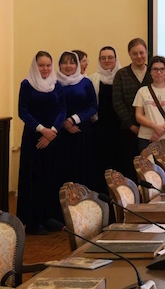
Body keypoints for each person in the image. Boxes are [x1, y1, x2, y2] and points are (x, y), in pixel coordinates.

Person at [17, 52, 66, 234]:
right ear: (35, 66)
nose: (45, 69)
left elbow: (62, 110)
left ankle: (50, 218)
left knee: (52, 177)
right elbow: (23, 111)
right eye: (41, 65)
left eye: (48, 65)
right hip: (34, 138)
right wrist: (41, 130)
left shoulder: (56, 85)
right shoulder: (26, 84)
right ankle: (33, 221)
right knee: (34, 178)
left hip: (53, 137)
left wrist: (52, 131)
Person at [56, 51, 97, 190]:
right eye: (64, 62)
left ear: (77, 65)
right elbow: (52, 107)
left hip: (82, 131)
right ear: (59, 65)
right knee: (63, 168)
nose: (68, 66)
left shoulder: (85, 82)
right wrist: (64, 124)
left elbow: (93, 106)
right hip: (60, 132)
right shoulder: (53, 83)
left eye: (72, 62)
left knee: (83, 168)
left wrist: (73, 120)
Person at [113, 38, 153, 179]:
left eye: (142, 53)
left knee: (150, 168)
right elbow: (117, 102)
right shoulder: (121, 74)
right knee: (130, 167)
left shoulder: (154, 72)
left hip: (151, 130)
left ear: (146, 52)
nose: (139, 56)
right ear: (129, 54)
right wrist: (132, 125)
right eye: (135, 53)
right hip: (129, 130)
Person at [133, 56, 165, 153]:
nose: (159, 72)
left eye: (162, 69)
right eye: (155, 69)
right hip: (147, 138)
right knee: (147, 163)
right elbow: (138, 116)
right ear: (150, 71)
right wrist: (156, 127)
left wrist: (162, 130)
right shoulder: (142, 91)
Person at [88, 46, 121, 175]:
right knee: (100, 161)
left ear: (115, 59)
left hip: (120, 127)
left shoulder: (121, 76)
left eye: (110, 57)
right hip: (99, 127)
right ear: (99, 60)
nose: (107, 60)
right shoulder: (92, 79)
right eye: (103, 58)